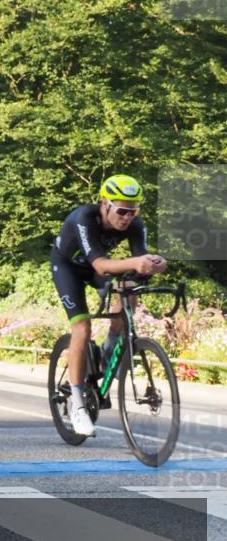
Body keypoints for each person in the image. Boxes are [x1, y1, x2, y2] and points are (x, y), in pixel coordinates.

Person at [51, 174, 167, 437]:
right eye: (122, 210)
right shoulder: (84, 218)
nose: (127, 217)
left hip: (96, 268)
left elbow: (140, 261)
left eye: (133, 211)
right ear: (104, 204)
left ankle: (110, 348)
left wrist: (156, 264)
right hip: (69, 267)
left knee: (128, 287)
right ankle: (79, 404)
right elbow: (102, 265)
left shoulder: (135, 224)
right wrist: (136, 263)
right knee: (81, 327)